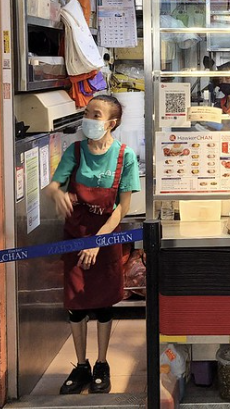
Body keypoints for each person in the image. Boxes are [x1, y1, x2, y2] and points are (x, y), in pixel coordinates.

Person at [43, 95, 140, 395]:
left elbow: (122, 209)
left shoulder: (125, 156)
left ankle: (101, 364)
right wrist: (56, 193)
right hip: (75, 237)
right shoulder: (75, 151)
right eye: (86, 113)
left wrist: (99, 241)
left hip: (106, 238)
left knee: (103, 304)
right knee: (75, 305)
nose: (88, 119)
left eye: (95, 115)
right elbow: (53, 186)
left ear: (111, 123)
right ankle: (81, 365)